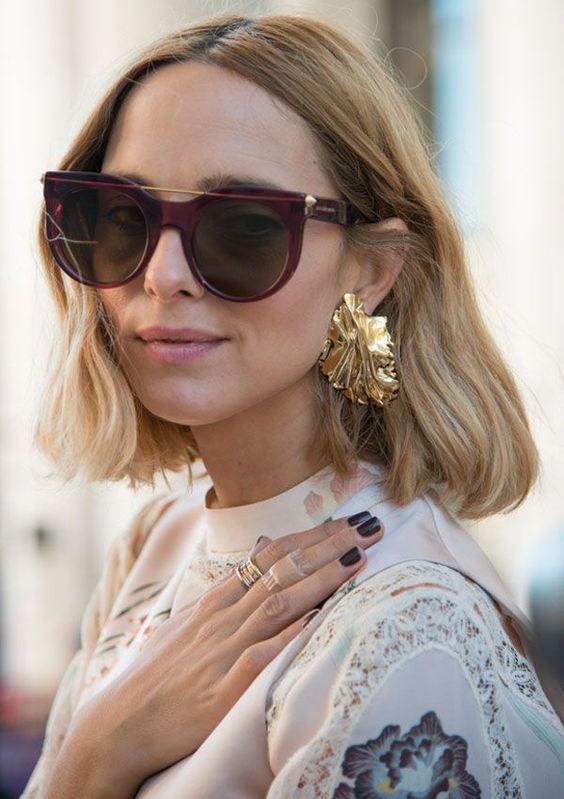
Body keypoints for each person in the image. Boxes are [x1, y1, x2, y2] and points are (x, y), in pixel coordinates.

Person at [23, 11, 564, 799]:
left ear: (370, 268)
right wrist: (102, 748)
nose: (163, 274)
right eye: (121, 218)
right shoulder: (156, 544)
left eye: (241, 227)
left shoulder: (408, 633)